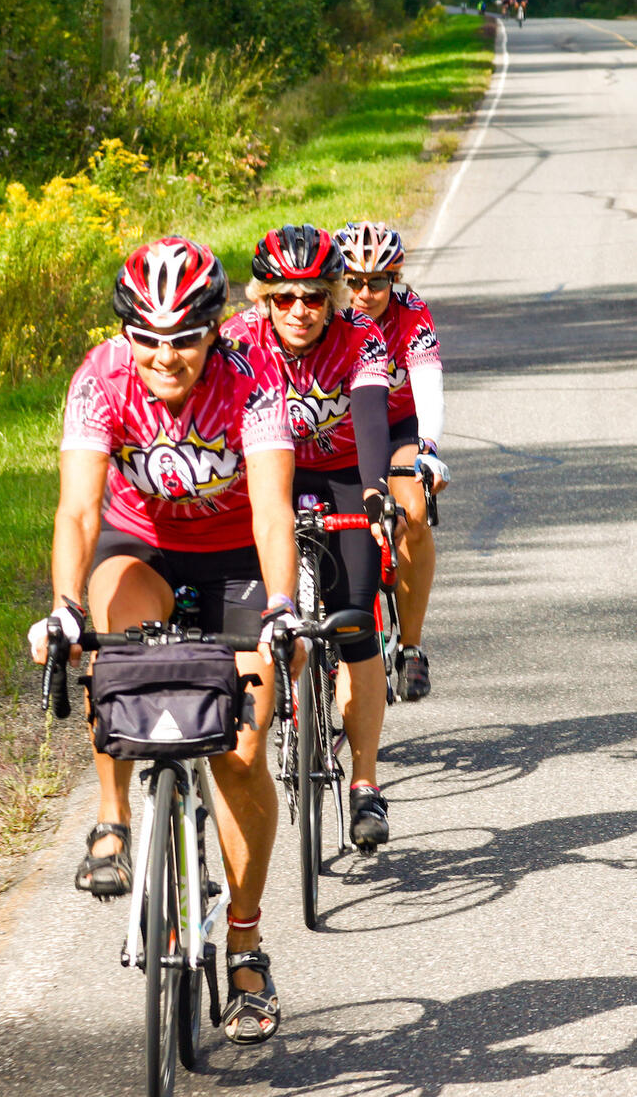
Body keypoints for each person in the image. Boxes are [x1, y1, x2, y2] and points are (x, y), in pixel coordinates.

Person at [28, 236, 304, 1045]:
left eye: (183, 336)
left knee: (243, 751)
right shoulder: (100, 376)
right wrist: (63, 607)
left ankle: (247, 943)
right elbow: (79, 511)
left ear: (215, 329)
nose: (164, 354)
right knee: (106, 634)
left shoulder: (255, 384)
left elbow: (271, 512)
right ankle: (113, 819)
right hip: (140, 546)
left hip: (235, 558)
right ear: (125, 332)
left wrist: (283, 605)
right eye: (146, 336)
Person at [222, 223, 393, 850]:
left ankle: (366, 784)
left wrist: (376, 491)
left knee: (354, 622)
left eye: (314, 297)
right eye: (285, 296)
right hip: (269, 473)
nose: (300, 310)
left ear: (333, 297)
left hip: (347, 470)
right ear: (263, 297)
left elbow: (373, 414)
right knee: (263, 603)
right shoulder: (237, 342)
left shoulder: (361, 336)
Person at [334, 221, 450, 702]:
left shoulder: (411, 313)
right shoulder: (325, 315)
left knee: (415, 514)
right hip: (339, 433)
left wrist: (428, 450)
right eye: (353, 281)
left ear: (394, 280)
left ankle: (411, 647)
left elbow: (427, 385)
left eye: (376, 282)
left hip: (398, 426)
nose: (364, 293)